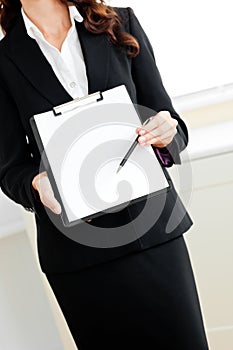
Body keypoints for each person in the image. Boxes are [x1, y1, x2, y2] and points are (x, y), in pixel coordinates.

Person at [0, 0, 209, 348]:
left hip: (152, 235)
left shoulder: (119, 23)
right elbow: (10, 168)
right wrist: (37, 185)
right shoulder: (4, 59)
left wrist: (165, 131)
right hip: (77, 254)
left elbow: (172, 125)